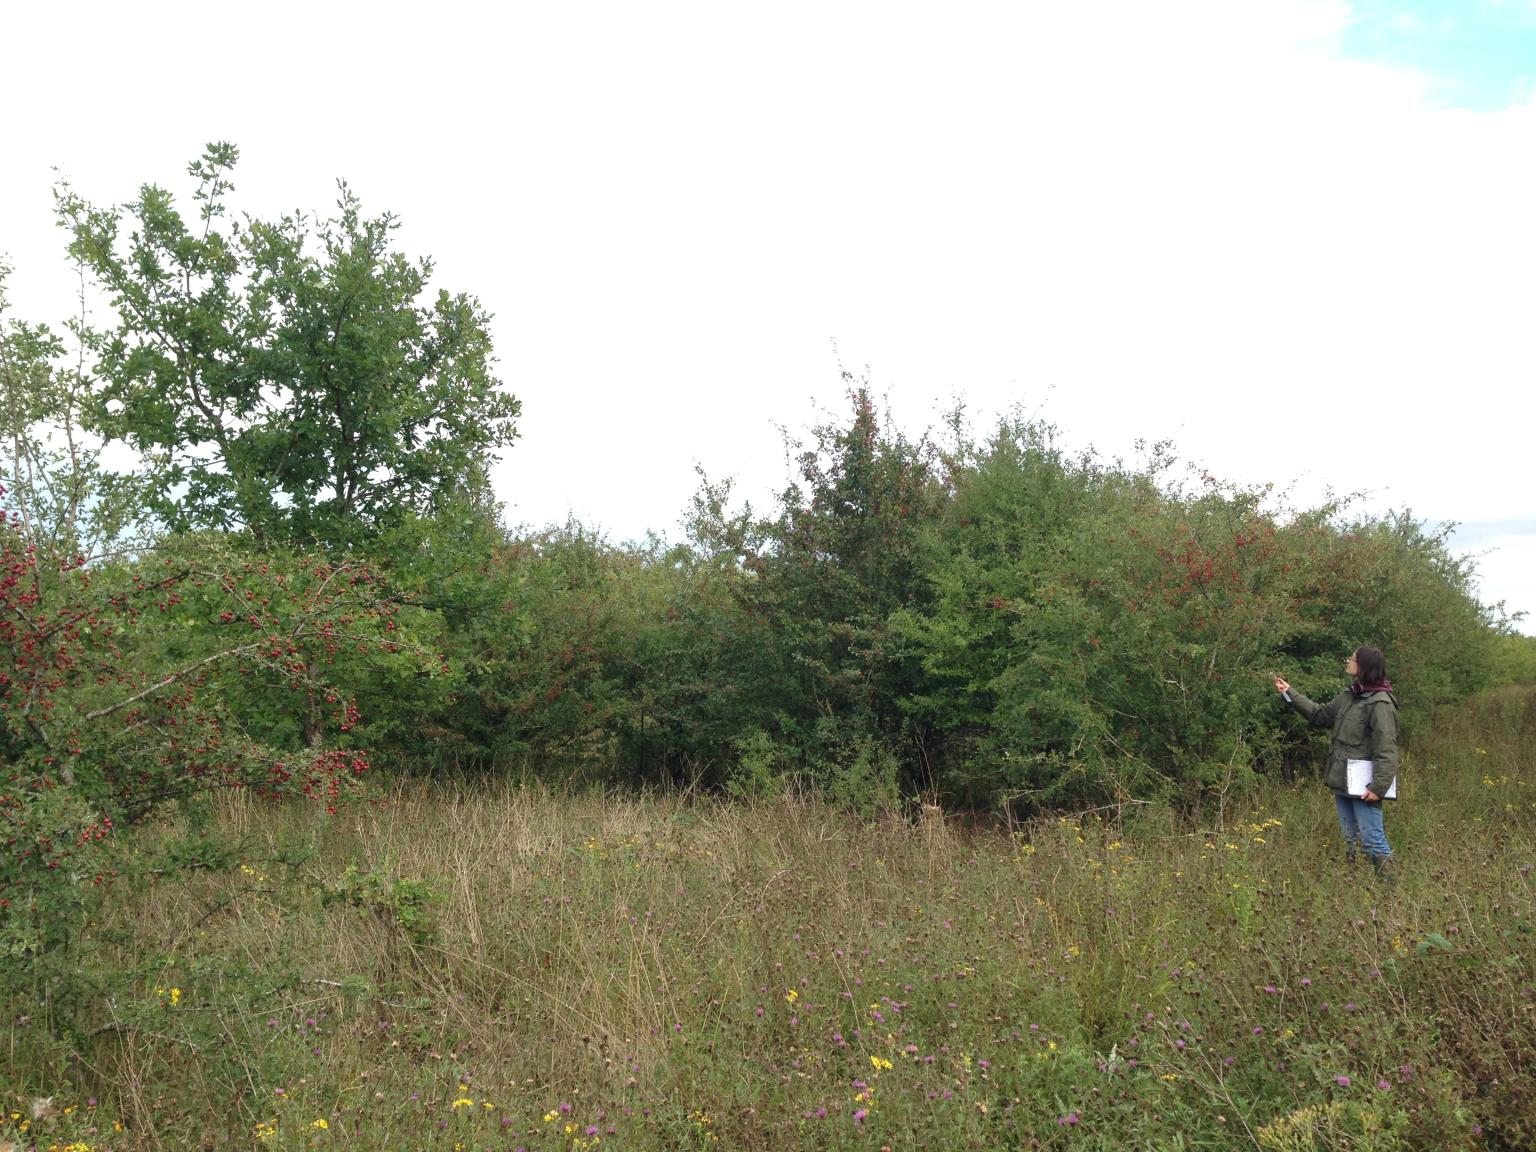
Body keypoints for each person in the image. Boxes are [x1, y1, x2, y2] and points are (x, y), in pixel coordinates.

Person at [1273, 646, 1399, 878]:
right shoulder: (1349, 695)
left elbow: (1387, 749)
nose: (1348, 661)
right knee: (1351, 842)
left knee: (1372, 842)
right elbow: (1320, 715)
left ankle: (1393, 896)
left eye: (1352, 659)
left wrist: (1378, 788)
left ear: (1364, 666)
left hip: (1365, 788)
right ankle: (1359, 888)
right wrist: (1289, 693)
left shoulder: (1380, 703)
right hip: (1343, 781)